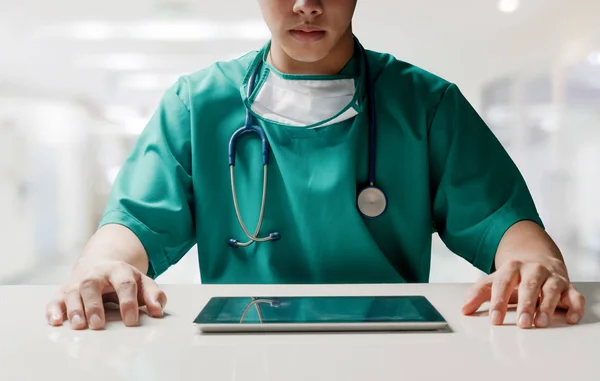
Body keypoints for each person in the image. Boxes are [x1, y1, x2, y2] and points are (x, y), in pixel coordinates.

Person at [46, 0, 585, 331]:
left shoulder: (425, 104)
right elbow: (134, 224)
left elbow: (502, 220)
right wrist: (100, 267)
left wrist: (537, 264)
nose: (306, 4)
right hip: (240, 354)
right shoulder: (197, 104)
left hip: (391, 354)